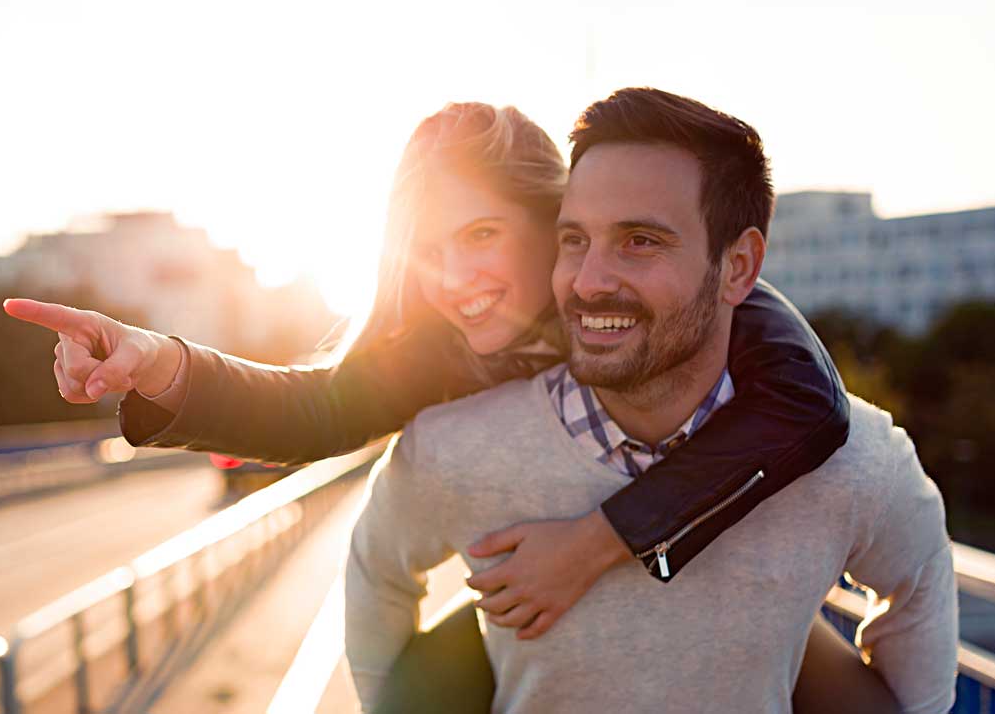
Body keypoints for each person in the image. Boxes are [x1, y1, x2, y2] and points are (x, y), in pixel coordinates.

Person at [3, 100, 896, 709]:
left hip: (721, 579)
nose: (458, 279)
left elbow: (809, 407)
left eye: (481, 235)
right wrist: (157, 362)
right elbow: (313, 411)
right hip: (544, 619)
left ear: (551, 217)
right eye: (429, 249)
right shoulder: (435, 346)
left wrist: (592, 545)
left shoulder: (650, 288)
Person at [343, 87, 957, 713]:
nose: (588, 282)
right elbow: (375, 576)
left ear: (738, 266)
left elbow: (921, 577)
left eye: (639, 241)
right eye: (575, 240)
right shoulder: (454, 447)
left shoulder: (856, 462)